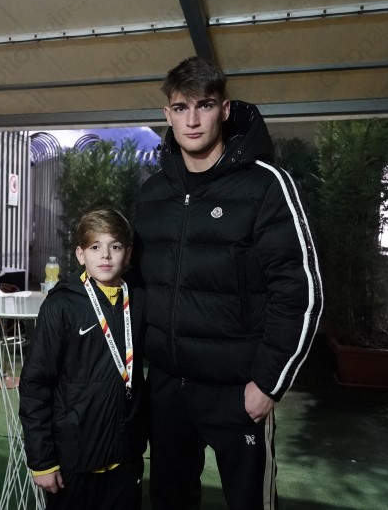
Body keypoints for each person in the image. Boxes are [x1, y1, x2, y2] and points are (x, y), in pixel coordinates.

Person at [134, 56, 324, 509]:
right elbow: (139, 286)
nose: (192, 120)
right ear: (167, 115)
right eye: (181, 108)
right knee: (168, 500)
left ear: (223, 109)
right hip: (167, 388)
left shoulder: (266, 186)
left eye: (204, 105)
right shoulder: (152, 193)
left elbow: (299, 291)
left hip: (238, 390)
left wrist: (268, 383)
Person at [19, 207, 148, 510]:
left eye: (115, 246)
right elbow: (36, 384)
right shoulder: (61, 305)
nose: (105, 255)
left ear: (128, 254)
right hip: (74, 460)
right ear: (80, 254)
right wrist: (42, 461)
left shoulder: (138, 300)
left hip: (126, 458)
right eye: (94, 247)